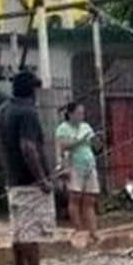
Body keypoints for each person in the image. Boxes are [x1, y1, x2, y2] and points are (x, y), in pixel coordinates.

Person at [0, 71, 58, 265]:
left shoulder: (2, 111)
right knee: (30, 233)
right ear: (33, 91)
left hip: (13, 181)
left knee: (19, 231)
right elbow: (28, 147)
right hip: (30, 183)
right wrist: (42, 180)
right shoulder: (28, 112)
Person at [56, 102, 100, 244]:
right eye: (78, 113)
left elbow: (95, 145)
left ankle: (93, 231)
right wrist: (79, 140)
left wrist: (97, 140)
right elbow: (63, 146)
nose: (81, 116)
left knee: (90, 199)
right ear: (70, 114)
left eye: (82, 113)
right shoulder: (63, 128)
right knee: (75, 198)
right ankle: (79, 229)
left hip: (89, 164)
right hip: (74, 165)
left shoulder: (86, 126)